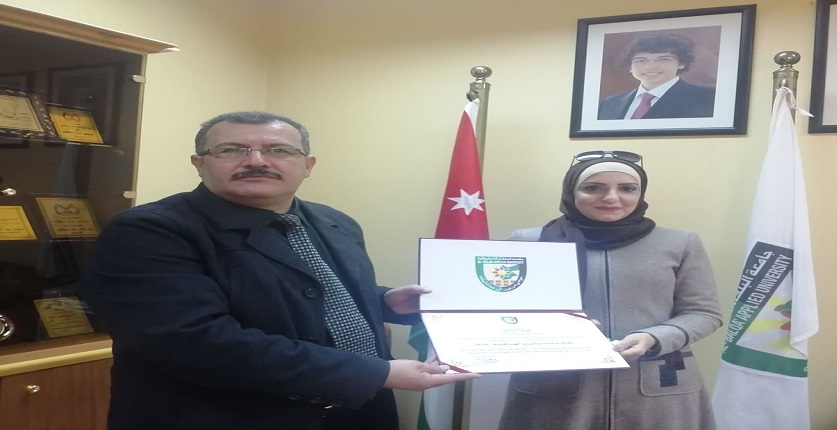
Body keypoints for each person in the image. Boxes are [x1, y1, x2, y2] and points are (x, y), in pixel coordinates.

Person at [79, 111, 478, 430]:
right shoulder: (150, 231)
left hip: (357, 413)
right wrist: (375, 373)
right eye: (231, 150)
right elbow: (197, 342)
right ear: (199, 164)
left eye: (278, 150)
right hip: (226, 417)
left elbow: (307, 293)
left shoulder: (336, 222)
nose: (256, 161)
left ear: (308, 165)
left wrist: (385, 301)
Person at [497, 150, 723, 430]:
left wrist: (654, 337)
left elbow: (704, 313)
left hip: (658, 389)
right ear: (571, 191)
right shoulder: (529, 242)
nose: (611, 198)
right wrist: (554, 328)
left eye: (627, 188)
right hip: (554, 388)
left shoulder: (680, 243)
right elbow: (499, 313)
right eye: (594, 188)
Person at [597, 33, 716, 120]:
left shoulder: (708, 96)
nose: (651, 67)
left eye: (663, 59)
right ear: (630, 67)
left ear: (681, 63)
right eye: (641, 60)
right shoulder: (610, 103)